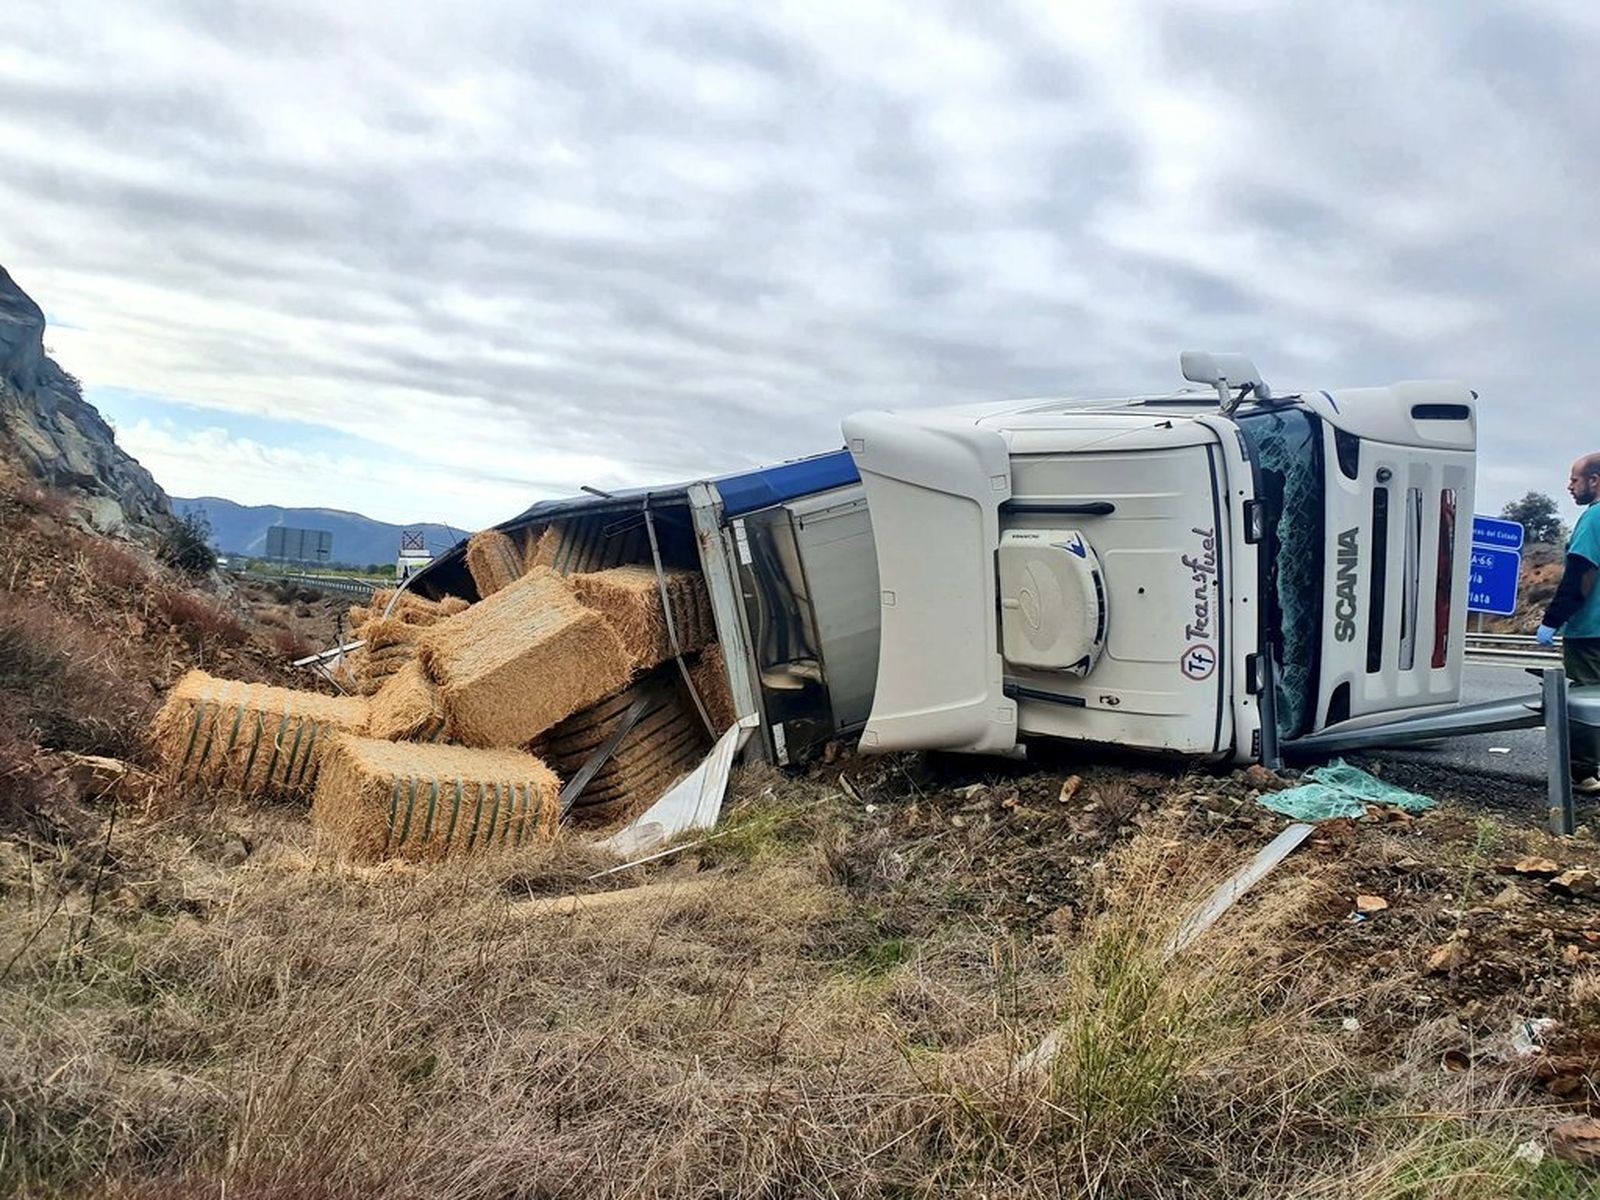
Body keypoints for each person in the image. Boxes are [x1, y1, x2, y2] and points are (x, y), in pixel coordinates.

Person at [1536, 451, 1600, 793]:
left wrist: (1553, 619)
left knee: (1586, 701)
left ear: (1595, 481)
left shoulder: (1594, 518)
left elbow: (1581, 576)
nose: (1570, 486)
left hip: (1591, 632)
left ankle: (1582, 774)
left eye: (1575, 480)